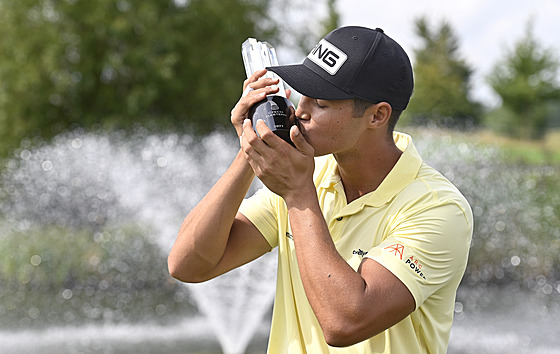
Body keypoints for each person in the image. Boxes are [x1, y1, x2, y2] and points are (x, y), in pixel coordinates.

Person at [168, 26, 473, 353]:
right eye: (302, 94)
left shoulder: (438, 209)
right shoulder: (307, 174)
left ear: (377, 116)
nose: (300, 111)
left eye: (322, 103)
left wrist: (299, 195)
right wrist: (253, 146)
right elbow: (188, 265)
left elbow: (344, 323)